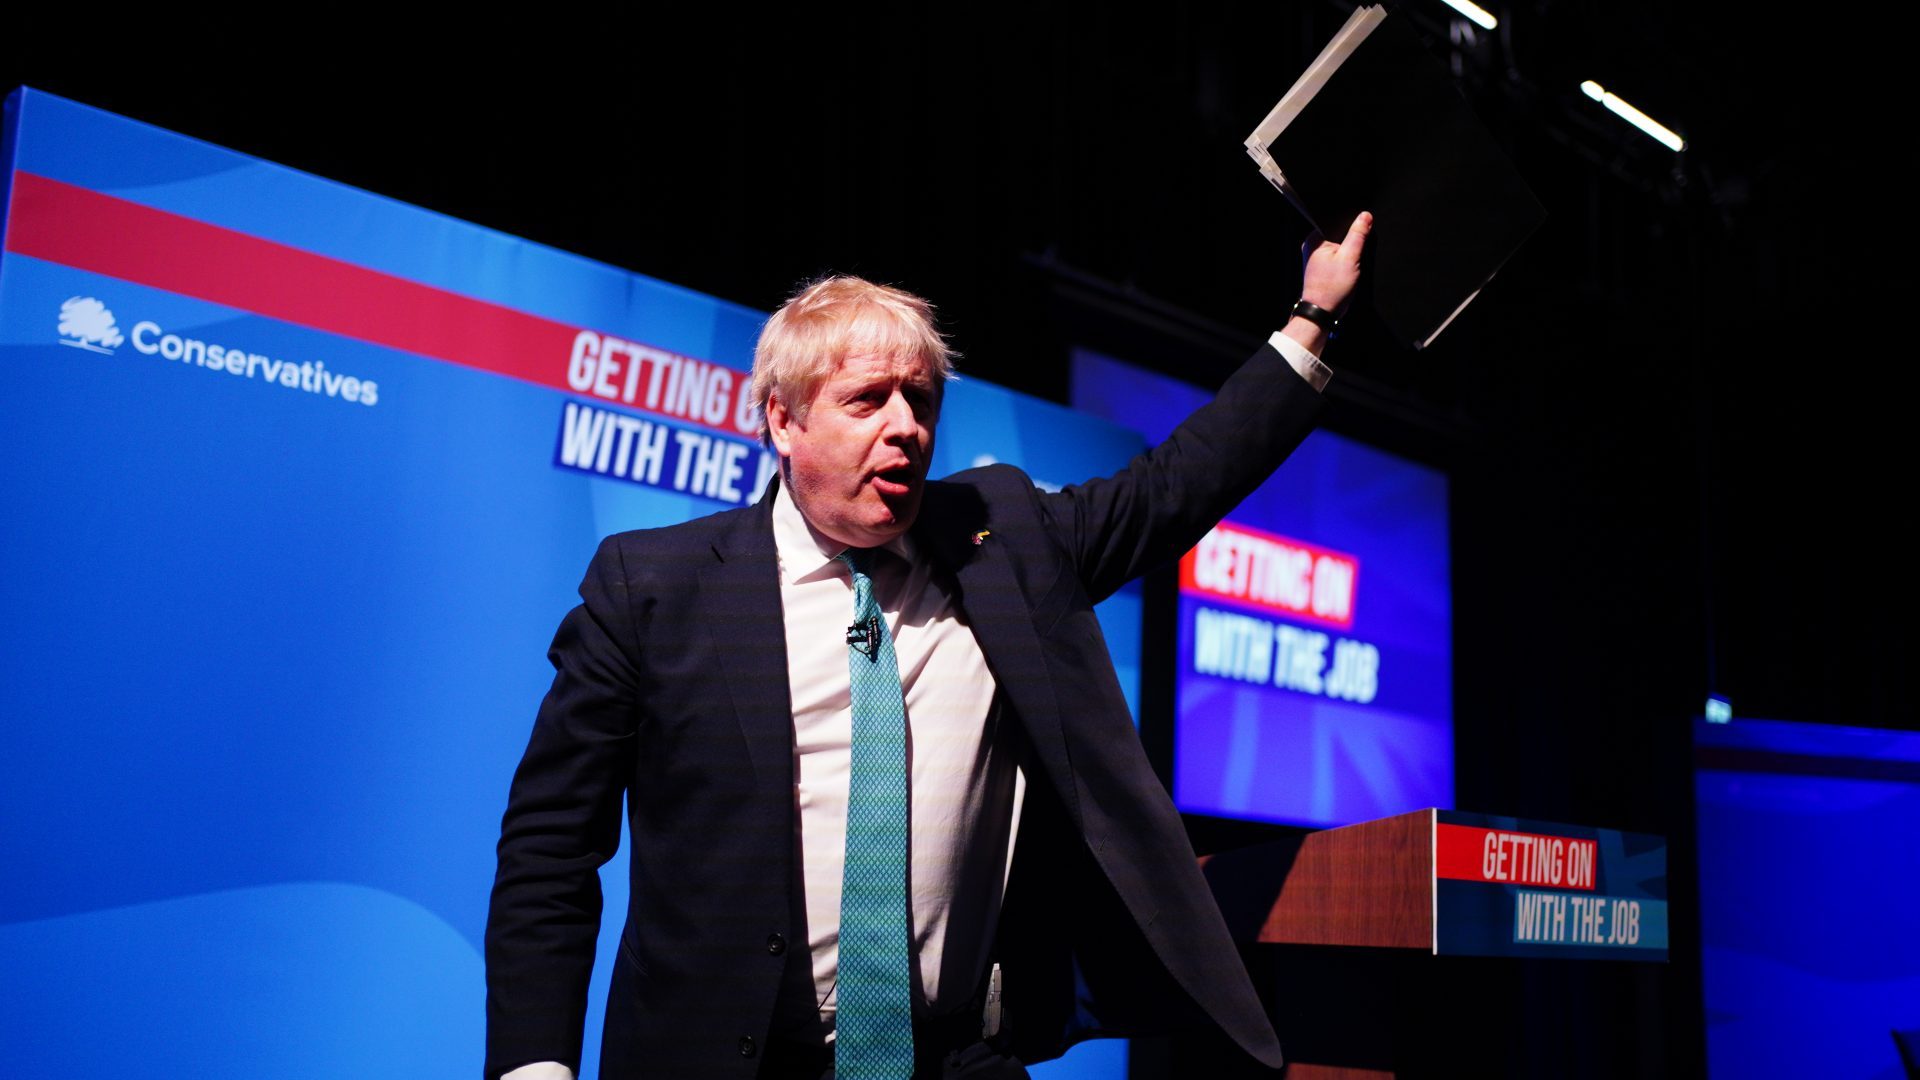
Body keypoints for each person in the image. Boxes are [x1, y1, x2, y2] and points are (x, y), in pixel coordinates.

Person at [485, 212, 1372, 1080]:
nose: (904, 425)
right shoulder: (654, 586)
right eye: (867, 400)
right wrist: (534, 1065)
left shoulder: (1003, 539)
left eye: (921, 399)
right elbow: (551, 848)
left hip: (954, 1056)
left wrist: (1314, 317)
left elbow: (1176, 485)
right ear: (783, 422)